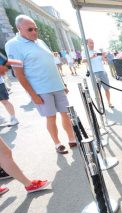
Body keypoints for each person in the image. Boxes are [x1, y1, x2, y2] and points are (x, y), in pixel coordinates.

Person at [5, 15, 76, 154]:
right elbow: (19, 74)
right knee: (51, 116)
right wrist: (33, 95)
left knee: (66, 113)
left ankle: (72, 138)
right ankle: (57, 143)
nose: (34, 32)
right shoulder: (12, 45)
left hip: (57, 86)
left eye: (35, 29)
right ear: (19, 29)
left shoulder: (40, 42)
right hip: (41, 89)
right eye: (30, 29)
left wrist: (63, 83)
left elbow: (52, 65)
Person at [82, 38, 113, 108]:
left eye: (93, 42)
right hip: (94, 73)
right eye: (90, 43)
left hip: (102, 72)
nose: (92, 44)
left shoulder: (97, 51)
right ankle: (100, 105)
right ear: (87, 44)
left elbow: (105, 60)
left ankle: (109, 103)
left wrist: (104, 55)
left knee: (107, 89)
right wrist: (91, 57)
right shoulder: (85, 52)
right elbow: (83, 61)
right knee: (97, 90)